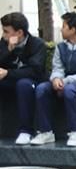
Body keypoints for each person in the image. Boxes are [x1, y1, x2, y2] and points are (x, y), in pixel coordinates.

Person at [29, 11, 76, 148]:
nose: (61, 29)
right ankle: (45, 131)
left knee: (69, 90)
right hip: (64, 82)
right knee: (42, 89)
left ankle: (75, 132)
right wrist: (56, 78)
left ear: (73, 30)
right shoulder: (60, 47)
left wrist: (66, 81)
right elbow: (57, 67)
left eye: (63, 26)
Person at [1, 11, 47, 143]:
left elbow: (35, 70)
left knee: (24, 84)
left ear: (19, 33)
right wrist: (8, 52)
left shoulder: (37, 44)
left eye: (6, 31)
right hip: (11, 80)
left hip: (33, 82)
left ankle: (26, 131)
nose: (4, 35)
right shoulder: (4, 43)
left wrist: (8, 73)